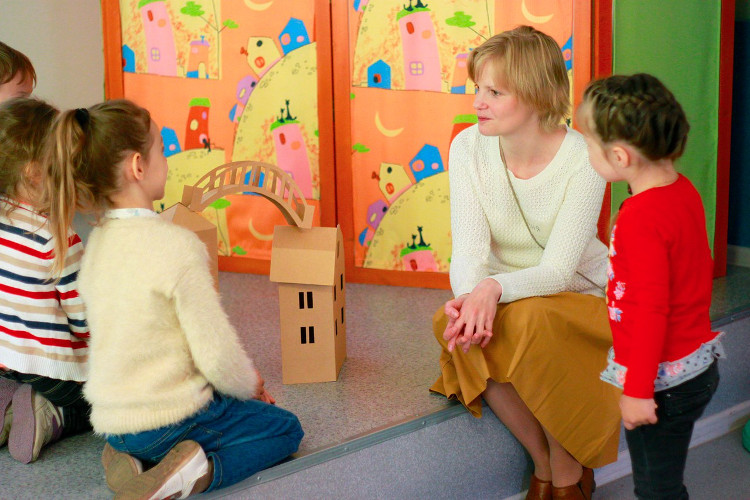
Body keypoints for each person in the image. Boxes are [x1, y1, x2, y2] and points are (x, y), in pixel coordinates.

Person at [44, 99, 303, 498]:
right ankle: (197, 472)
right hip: (168, 419)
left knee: (198, 406)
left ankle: (131, 458)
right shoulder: (176, 246)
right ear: (138, 166)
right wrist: (251, 384)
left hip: (114, 424)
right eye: (162, 151)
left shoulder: (96, 246)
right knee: (285, 428)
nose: (167, 161)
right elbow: (216, 356)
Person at [430, 26, 621, 500]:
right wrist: (469, 299)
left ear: (537, 94)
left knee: (530, 323)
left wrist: (491, 291)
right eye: (478, 88)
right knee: (453, 324)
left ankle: (566, 469)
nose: (479, 102)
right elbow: (469, 250)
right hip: (510, 293)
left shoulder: (584, 158)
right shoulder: (467, 147)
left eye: (495, 92)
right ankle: (545, 462)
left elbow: (558, 272)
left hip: (580, 295)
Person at [577, 73, 723, 499]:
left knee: (657, 490)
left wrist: (638, 392)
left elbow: (649, 312)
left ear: (620, 157)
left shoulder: (641, 218)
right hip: (693, 365)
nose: (586, 152)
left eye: (589, 145)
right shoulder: (682, 190)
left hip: (663, 384)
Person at [0, 98, 91, 463]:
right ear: (35, 172)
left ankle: (9, 406)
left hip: (6, 358)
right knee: (104, 398)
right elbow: (84, 321)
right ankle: (53, 413)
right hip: (53, 371)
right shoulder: (58, 240)